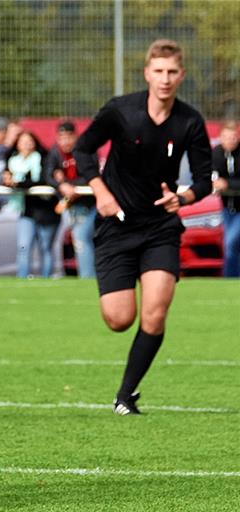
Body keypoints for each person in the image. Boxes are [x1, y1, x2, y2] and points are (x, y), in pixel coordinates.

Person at [74, 39, 213, 415]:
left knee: (155, 313)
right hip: (116, 226)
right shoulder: (121, 110)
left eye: (172, 72)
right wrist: (100, 191)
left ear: (181, 75)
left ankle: (126, 395)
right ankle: (125, 388)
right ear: (147, 73)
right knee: (120, 319)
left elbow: (205, 180)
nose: (165, 79)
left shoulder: (190, 121)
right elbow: (83, 149)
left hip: (161, 228)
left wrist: (182, 199)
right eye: (159, 71)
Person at [44, 120, 99, 278]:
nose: (65, 141)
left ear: (76, 137)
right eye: (62, 137)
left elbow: (92, 175)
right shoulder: (55, 153)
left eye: (69, 136)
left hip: (88, 205)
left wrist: (69, 184)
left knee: (81, 239)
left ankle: (88, 278)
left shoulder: (86, 151)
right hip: (68, 207)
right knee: (77, 240)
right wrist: (61, 184)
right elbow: (48, 175)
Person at [3, 131, 60, 278]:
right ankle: (22, 279)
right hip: (26, 211)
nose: (26, 144)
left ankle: (46, 279)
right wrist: (8, 180)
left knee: (45, 248)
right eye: (23, 141)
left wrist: (18, 183)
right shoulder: (12, 162)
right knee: (23, 247)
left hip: (46, 211)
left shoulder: (43, 159)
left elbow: (42, 180)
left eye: (29, 141)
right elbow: (6, 179)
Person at [211, 121, 240, 277]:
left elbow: (226, 182)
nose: (231, 140)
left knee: (231, 243)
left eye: (234, 137)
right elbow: (213, 176)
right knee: (232, 246)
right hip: (226, 208)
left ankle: (229, 277)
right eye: (227, 137)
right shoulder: (216, 154)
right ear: (220, 138)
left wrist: (227, 184)